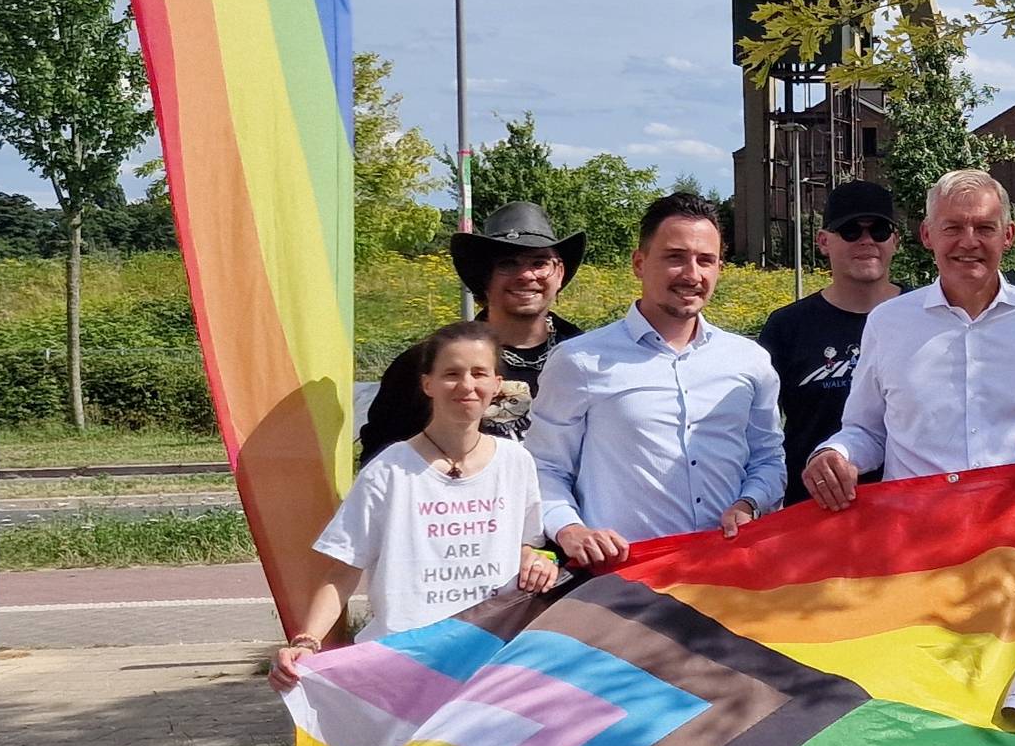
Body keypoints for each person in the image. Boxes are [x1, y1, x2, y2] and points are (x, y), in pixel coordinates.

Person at [270, 323, 558, 688]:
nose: (467, 385)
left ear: (497, 384)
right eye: (451, 374)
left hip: (487, 663)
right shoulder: (390, 469)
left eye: (479, 373)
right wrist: (307, 642)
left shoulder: (516, 461)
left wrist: (538, 560)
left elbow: (526, 544)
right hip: (404, 666)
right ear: (428, 384)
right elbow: (342, 572)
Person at [802, 170, 1015, 509]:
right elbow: (867, 430)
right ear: (927, 234)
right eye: (952, 228)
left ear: (1008, 235)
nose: (969, 242)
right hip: (917, 534)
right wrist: (835, 454)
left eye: (984, 228)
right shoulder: (888, 322)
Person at [529, 193, 785, 567]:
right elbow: (544, 467)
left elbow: (767, 458)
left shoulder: (750, 361)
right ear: (639, 263)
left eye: (706, 260)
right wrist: (570, 530)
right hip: (626, 581)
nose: (691, 274)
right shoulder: (580, 361)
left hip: (728, 572)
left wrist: (751, 502)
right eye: (675, 257)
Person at [357, 203, 586, 462]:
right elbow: (384, 461)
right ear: (483, 277)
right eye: (508, 264)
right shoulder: (430, 363)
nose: (526, 275)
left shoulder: (591, 359)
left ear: (559, 273)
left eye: (540, 262)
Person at [758, 181, 907, 503]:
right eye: (851, 230)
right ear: (823, 242)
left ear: (895, 240)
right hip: (814, 517)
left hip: (906, 514)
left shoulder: (926, 316)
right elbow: (758, 435)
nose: (866, 241)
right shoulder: (787, 327)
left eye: (879, 230)